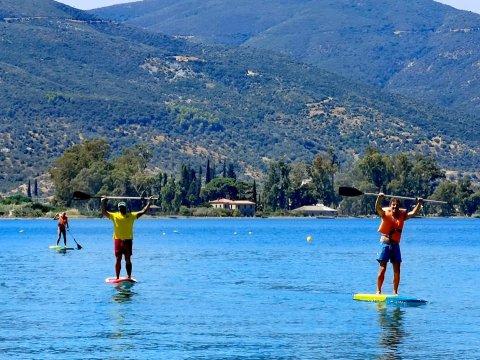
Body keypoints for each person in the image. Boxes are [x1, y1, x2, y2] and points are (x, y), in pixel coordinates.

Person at [375, 193, 423, 295]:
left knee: (397, 269)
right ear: (390, 205)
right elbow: (377, 207)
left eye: (397, 205)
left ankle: (395, 292)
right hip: (385, 244)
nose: (395, 207)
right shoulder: (384, 214)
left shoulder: (402, 216)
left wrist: (419, 203)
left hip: (395, 245)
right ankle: (378, 291)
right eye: (393, 205)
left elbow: (413, 213)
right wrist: (379, 198)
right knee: (383, 268)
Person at [101, 197, 153, 279]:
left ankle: (129, 277)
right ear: (118, 209)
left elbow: (143, 211)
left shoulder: (131, 215)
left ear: (126, 208)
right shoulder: (114, 216)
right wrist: (103, 202)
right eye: (120, 207)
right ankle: (117, 278)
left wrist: (149, 203)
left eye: (123, 207)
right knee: (118, 259)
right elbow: (103, 212)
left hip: (128, 241)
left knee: (128, 259)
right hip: (118, 240)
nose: (122, 209)